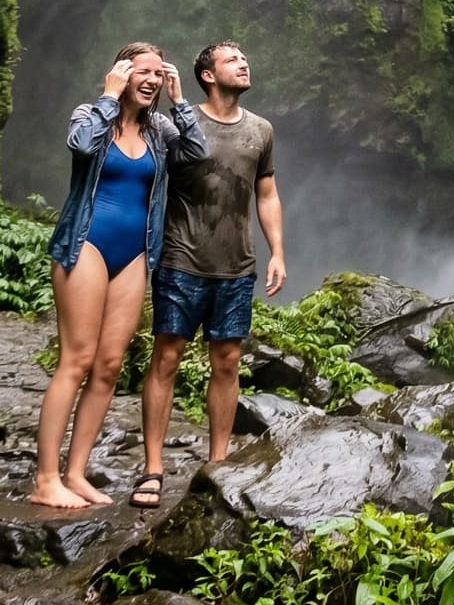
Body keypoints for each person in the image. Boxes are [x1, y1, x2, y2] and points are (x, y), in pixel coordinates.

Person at [32, 43, 203, 509]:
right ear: (122, 73)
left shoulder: (160, 128)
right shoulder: (91, 114)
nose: (150, 80)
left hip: (135, 254)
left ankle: (77, 473)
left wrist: (180, 99)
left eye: (157, 73)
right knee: (77, 359)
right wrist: (109, 96)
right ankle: (46, 478)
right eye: (141, 72)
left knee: (108, 366)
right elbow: (80, 146)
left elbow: (197, 153)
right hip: (86, 242)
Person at [137, 40, 284, 506]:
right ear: (207, 74)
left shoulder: (261, 130)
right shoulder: (178, 124)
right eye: (232, 59)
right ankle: (153, 468)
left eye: (245, 57)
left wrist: (278, 251)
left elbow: (266, 194)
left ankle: (217, 463)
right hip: (182, 259)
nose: (244, 63)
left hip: (236, 264)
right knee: (167, 358)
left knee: (227, 361)